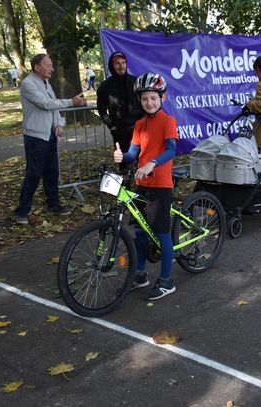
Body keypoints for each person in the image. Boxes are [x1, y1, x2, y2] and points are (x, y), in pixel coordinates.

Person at [113, 72, 179, 301]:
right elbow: (133, 153)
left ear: (162, 98)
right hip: (141, 184)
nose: (149, 102)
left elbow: (171, 150)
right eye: (144, 99)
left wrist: (152, 163)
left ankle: (167, 281)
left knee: (162, 233)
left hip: (160, 186)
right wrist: (123, 156)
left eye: (153, 98)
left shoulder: (168, 121)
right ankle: (141, 275)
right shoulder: (140, 124)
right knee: (140, 233)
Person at [15, 54, 87, 225]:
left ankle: (53, 204)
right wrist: (71, 102)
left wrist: (59, 124)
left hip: (50, 136)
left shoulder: (46, 83)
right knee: (34, 174)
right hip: (35, 137)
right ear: (37, 67)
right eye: (48, 65)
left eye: (52, 65)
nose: (52, 69)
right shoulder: (28, 84)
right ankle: (22, 211)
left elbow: (53, 107)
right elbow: (46, 104)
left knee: (52, 172)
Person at [97, 51, 143, 167]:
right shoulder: (105, 86)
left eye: (123, 63)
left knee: (141, 160)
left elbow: (144, 102)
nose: (121, 66)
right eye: (117, 63)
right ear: (112, 66)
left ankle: (141, 179)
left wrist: (143, 122)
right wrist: (111, 125)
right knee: (123, 162)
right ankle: (124, 180)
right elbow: (101, 108)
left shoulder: (136, 82)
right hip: (119, 131)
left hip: (137, 129)